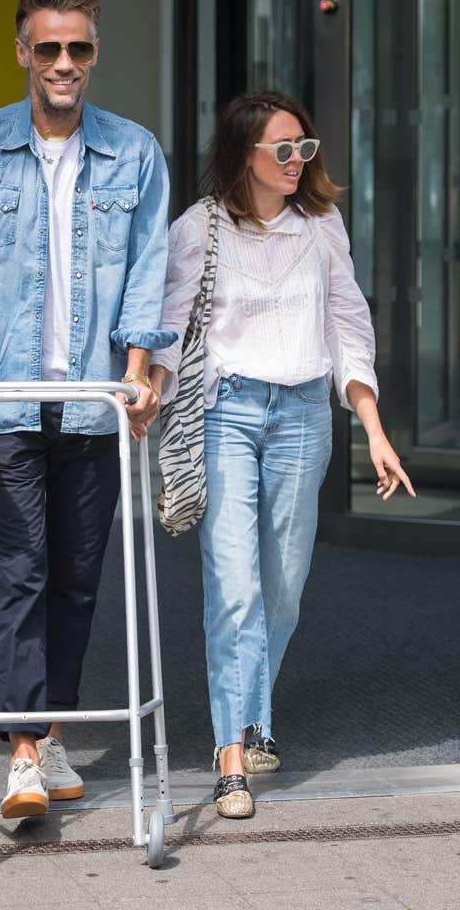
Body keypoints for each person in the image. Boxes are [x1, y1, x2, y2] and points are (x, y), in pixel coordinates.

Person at [0, 0, 174, 820]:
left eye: (80, 49)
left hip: (94, 400)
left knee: (79, 577)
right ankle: (24, 752)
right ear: (24, 51)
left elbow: (147, 273)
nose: (65, 63)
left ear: (94, 54)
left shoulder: (133, 151)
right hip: (8, 401)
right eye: (49, 48)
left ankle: (50, 730)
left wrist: (139, 371)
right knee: (18, 571)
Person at [150, 90, 415, 819]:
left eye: (306, 148)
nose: (299, 161)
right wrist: (151, 394)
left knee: (284, 584)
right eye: (283, 149)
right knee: (234, 584)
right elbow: (173, 327)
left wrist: (374, 426)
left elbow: (348, 324)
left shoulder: (321, 225)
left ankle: (255, 707)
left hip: (304, 414)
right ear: (244, 157)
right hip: (225, 413)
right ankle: (233, 752)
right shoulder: (198, 229)